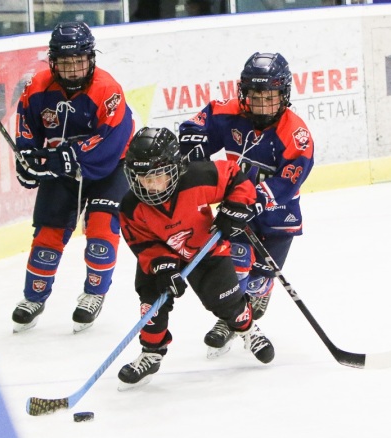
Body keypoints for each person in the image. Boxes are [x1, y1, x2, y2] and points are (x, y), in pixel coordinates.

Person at [116, 127, 274, 390]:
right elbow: (142, 243)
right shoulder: (131, 206)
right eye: (143, 177)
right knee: (152, 303)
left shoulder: (199, 177)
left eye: (158, 176)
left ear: (175, 168)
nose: (151, 185)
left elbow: (235, 177)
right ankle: (152, 353)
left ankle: (247, 329)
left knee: (227, 303)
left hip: (206, 250)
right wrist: (163, 268)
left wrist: (235, 207)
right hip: (162, 257)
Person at [179, 52, 314, 356]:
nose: (263, 105)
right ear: (244, 93)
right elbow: (196, 126)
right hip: (238, 206)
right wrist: (192, 141)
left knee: (260, 277)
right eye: (255, 97)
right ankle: (231, 318)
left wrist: (259, 198)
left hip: (279, 216)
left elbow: (289, 179)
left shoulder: (296, 134)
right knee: (235, 261)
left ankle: (259, 293)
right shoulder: (227, 112)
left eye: (271, 97)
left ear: (284, 95)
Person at [11, 21, 134, 333]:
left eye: (79, 61)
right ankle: (34, 298)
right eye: (65, 63)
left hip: (111, 167)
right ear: (53, 62)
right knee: (48, 235)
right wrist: (27, 158)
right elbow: (28, 130)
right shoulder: (37, 88)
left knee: (101, 230)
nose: (73, 70)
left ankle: (93, 294)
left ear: (90, 58)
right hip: (62, 168)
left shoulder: (107, 90)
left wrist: (67, 155)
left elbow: (111, 141)